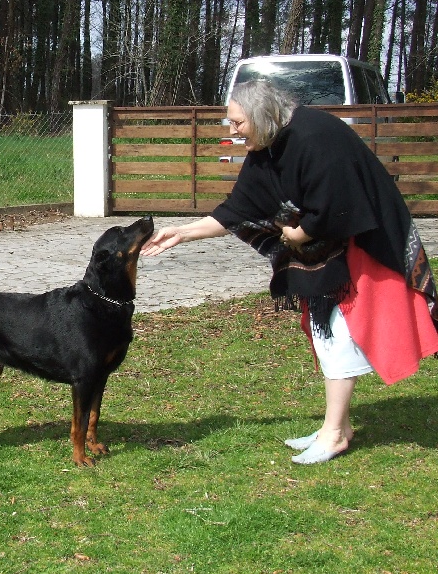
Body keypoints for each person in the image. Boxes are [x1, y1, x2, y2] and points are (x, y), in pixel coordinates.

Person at [140, 79, 438, 464]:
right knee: (327, 334)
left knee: (342, 336)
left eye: (237, 123)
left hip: (364, 248)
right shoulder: (267, 143)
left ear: (262, 116)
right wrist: (181, 233)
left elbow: (339, 203)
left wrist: (301, 231)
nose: (231, 132)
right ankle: (339, 426)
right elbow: (239, 209)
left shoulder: (316, 136)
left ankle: (334, 435)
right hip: (331, 253)